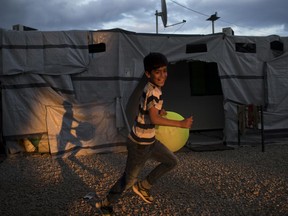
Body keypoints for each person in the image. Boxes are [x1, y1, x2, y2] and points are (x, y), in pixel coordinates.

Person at [95, 52, 193, 212]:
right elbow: (153, 119)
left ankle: (144, 186)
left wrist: (158, 111)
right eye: (157, 72)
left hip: (150, 141)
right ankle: (106, 204)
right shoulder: (154, 91)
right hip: (139, 144)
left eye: (164, 70)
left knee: (172, 161)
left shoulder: (151, 88)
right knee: (128, 180)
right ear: (148, 74)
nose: (163, 75)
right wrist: (181, 124)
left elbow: (148, 110)